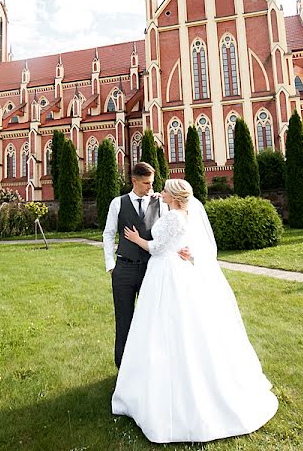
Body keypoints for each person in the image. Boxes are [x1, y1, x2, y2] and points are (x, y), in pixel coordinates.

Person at [111, 179, 278, 443]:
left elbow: (156, 248)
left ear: (174, 197)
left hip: (165, 273)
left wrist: (136, 239)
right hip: (173, 269)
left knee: (165, 327)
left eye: (164, 190)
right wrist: (186, 253)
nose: (160, 192)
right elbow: (186, 245)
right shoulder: (182, 213)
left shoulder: (175, 217)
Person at [103, 162, 186, 368]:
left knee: (151, 320)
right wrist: (110, 264)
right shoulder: (118, 203)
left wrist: (179, 249)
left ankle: (149, 367)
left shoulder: (161, 203)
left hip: (151, 270)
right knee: (124, 320)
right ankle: (122, 368)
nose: (151, 187)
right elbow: (108, 234)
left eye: (152, 182)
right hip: (123, 270)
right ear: (134, 180)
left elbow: (168, 234)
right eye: (146, 183)